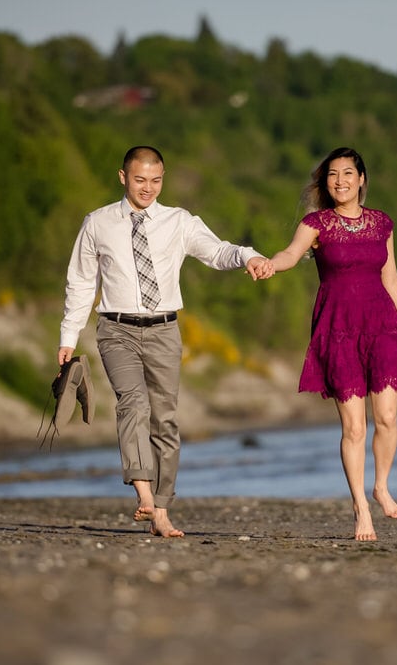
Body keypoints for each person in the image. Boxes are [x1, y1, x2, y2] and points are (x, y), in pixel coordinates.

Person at [58, 145, 272, 538]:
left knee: (166, 421)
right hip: (116, 329)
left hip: (164, 331)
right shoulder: (98, 223)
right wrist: (69, 336)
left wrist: (248, 257)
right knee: (133, 403)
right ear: (123, 177)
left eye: (156, 180)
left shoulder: (179, 221)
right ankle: (143, 491)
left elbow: (217, 250)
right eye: (140, 180)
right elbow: (82, 282)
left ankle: (161, 509)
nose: (148, 188)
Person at [259, 147, 397, 541]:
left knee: (387, 418)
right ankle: (360, 509)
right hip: (338, 329)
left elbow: (392, 280)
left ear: (361, 180)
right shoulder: (316, 223)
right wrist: (271, 263)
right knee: (354, 427)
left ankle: (381, 486)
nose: (340, 181)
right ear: (326, 183)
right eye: (332, 175)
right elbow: (290, 254)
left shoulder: (381, 224)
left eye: (347, 174)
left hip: (382, 326)